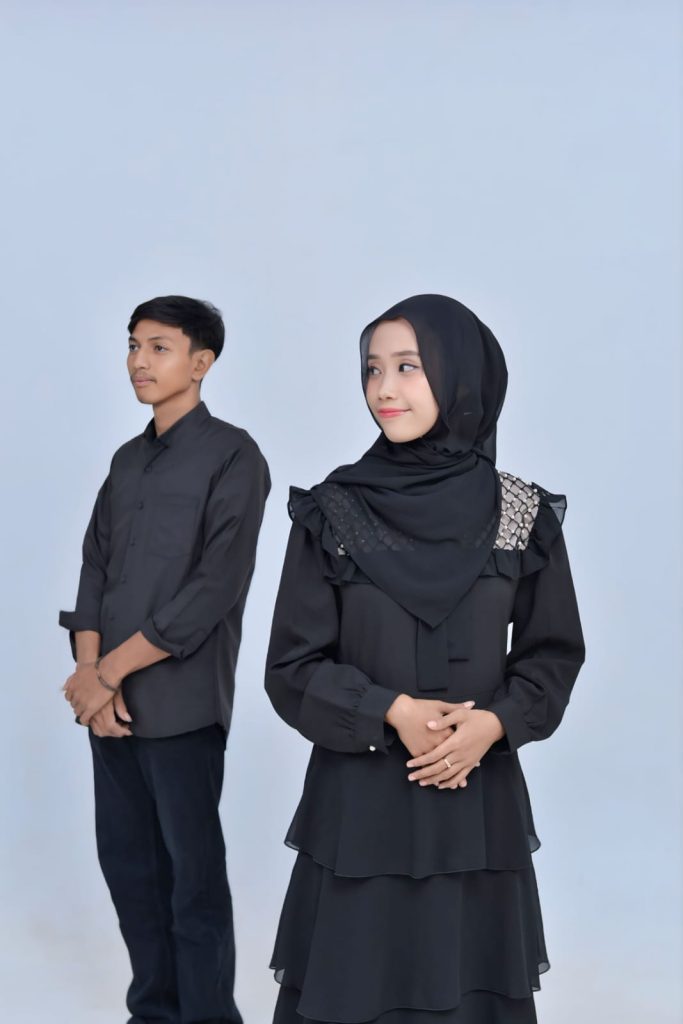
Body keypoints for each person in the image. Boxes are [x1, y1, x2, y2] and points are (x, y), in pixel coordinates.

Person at [264, 294, 585, 1024]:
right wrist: (391, 711)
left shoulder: (521, 515)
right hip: (360, 810)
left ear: (461, 375)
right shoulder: (333, 512)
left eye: (408, 367)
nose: (383, 388)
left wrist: (494, 725)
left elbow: (552, 653)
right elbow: (291, 667)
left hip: (476, 808)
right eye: (372, 368)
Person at [59, 295, 270, 1024]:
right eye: (133, 345)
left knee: (192, 882)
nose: (138, 362)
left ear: (201, 362)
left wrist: (108, 673)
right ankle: (152, 1012)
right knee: (130, 872)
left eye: (158, 347)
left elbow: (214, 588)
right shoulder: (126, 461)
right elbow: (95, 569)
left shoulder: (235, 456)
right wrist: (89, 676)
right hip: (107, 710)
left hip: (181, 704)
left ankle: (207, 1016)